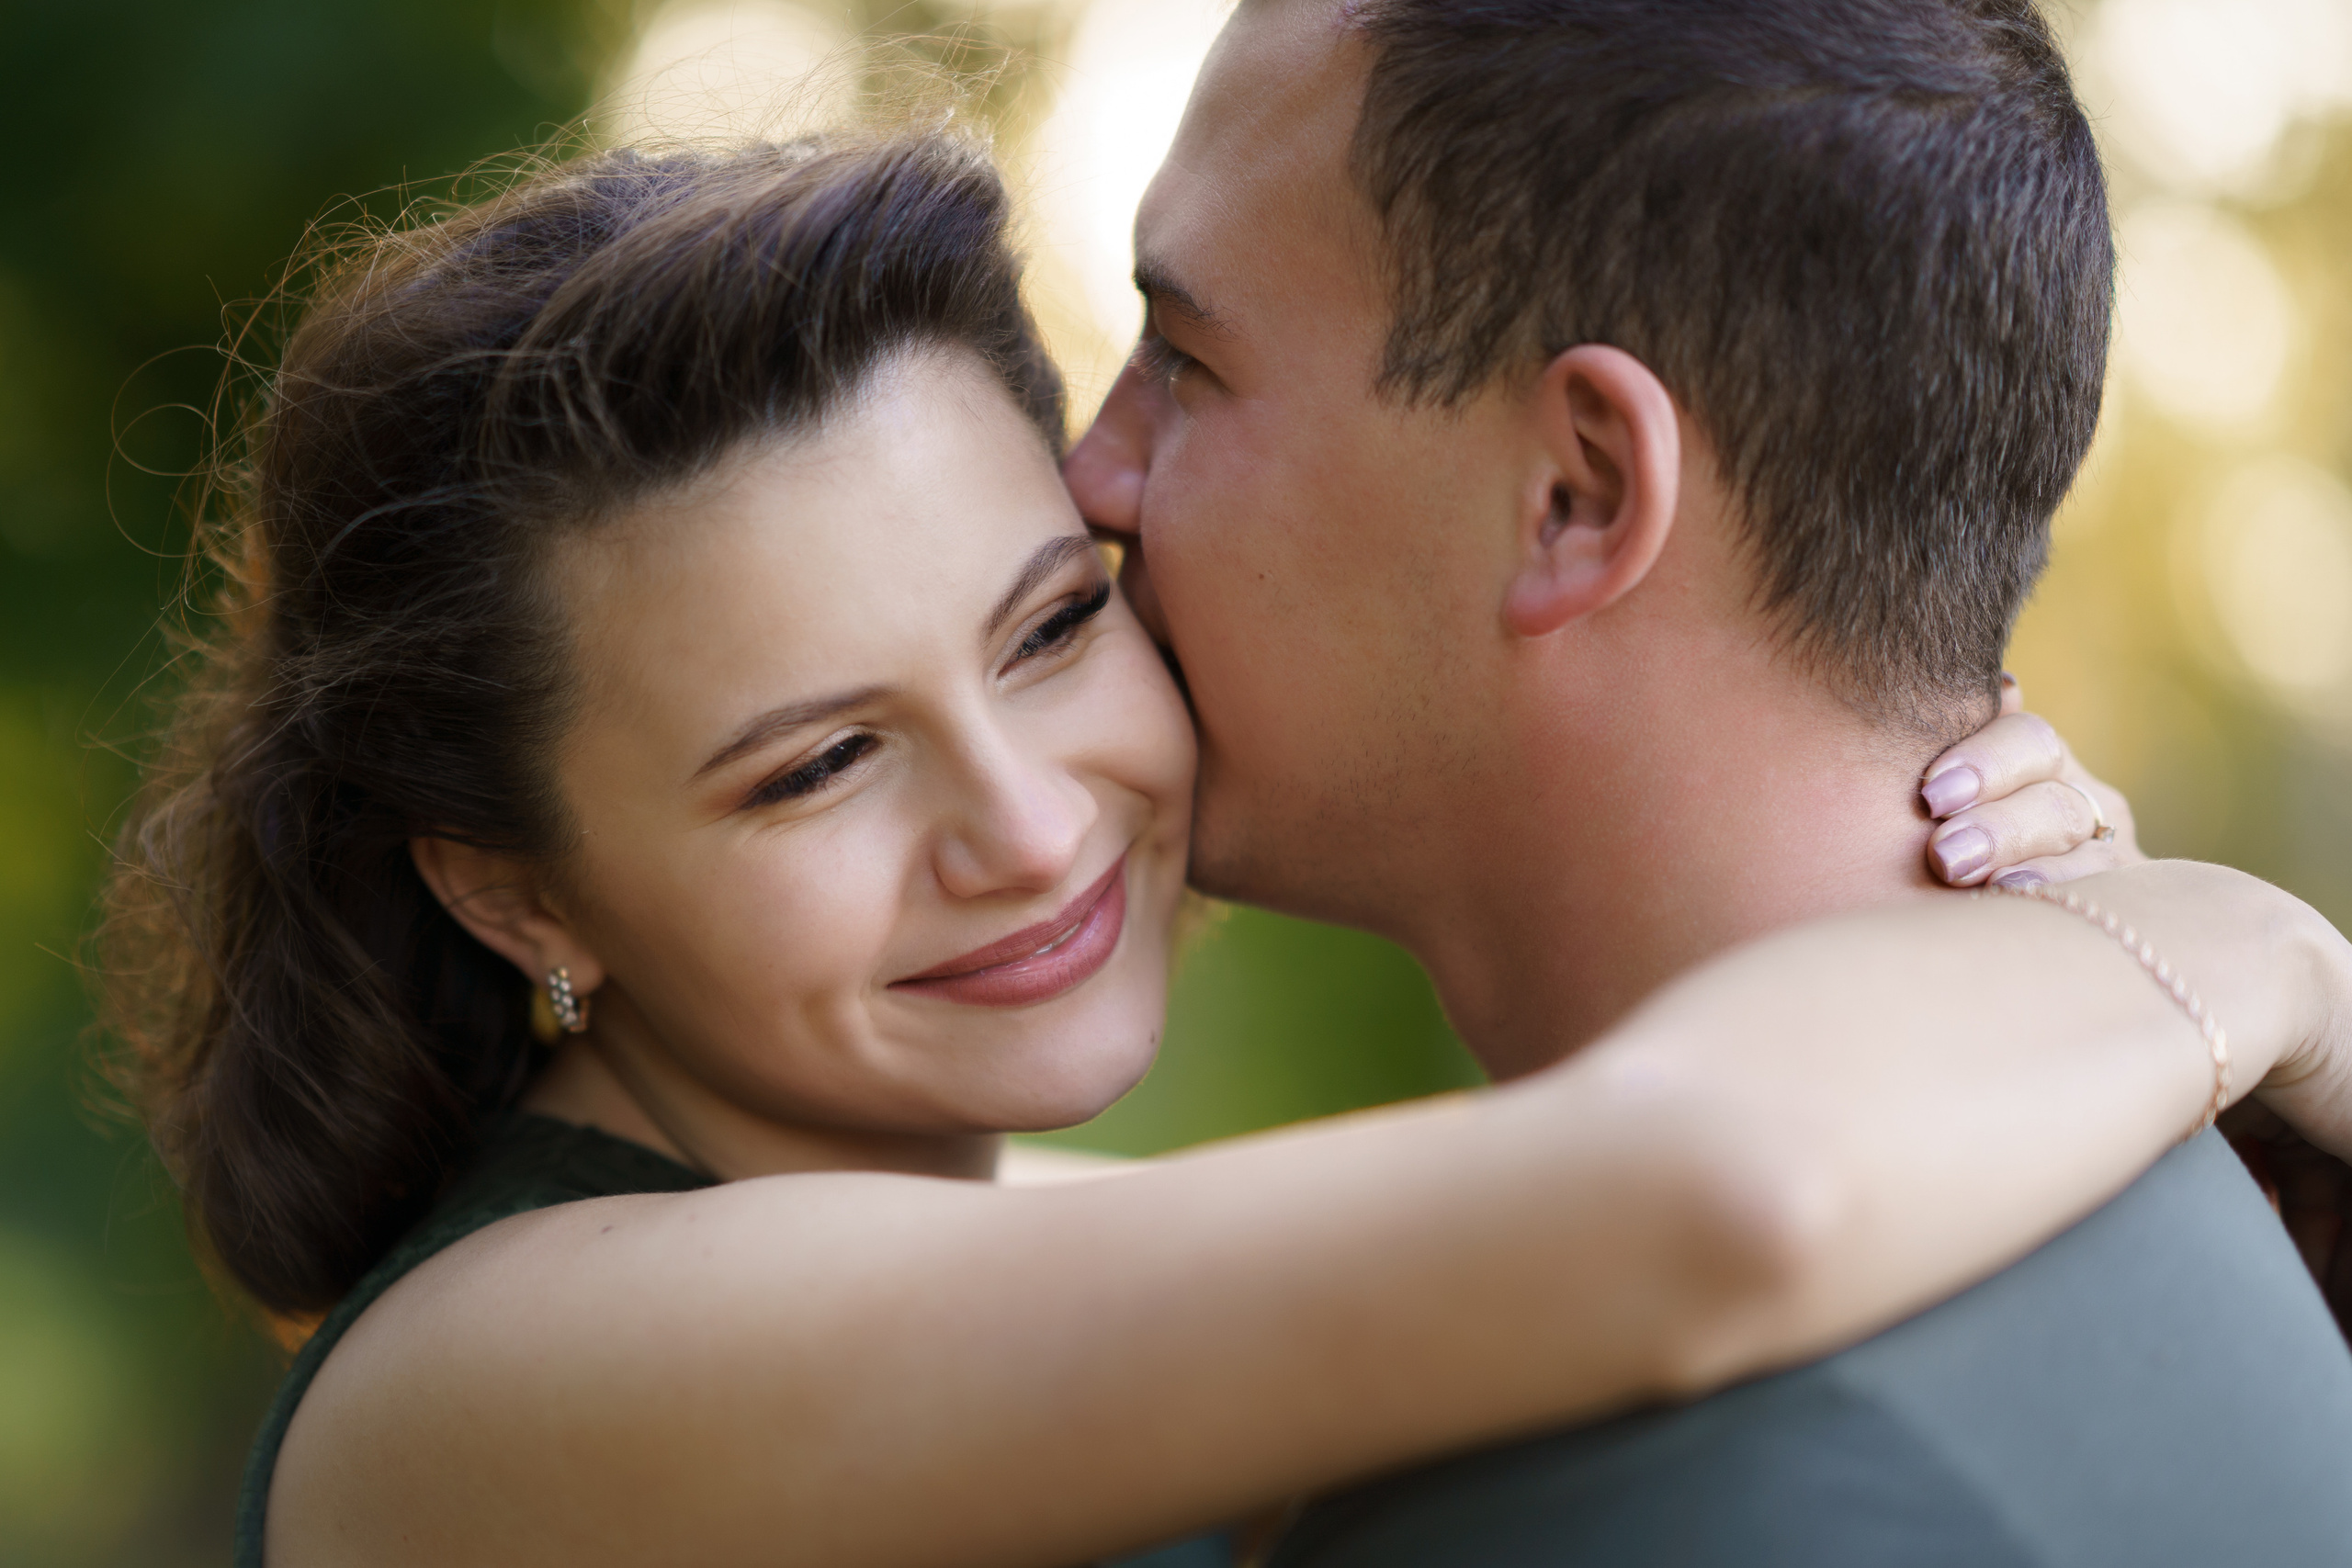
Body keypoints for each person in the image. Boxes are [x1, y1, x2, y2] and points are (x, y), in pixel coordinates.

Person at [98, 129, 2352, 1568]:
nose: (1023, 822)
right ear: (514, 888)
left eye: (1054, 623)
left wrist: (1980, 938)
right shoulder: (504, 1377)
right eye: (813, 767)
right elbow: (1700, 1195)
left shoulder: (1028, 1246)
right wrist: (2239, 957)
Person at [1057, 1, 2352, 1562]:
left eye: (1188, 359)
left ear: (1577, 495)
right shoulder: (2141, 1237)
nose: (1092, 475)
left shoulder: (1703, 1489)